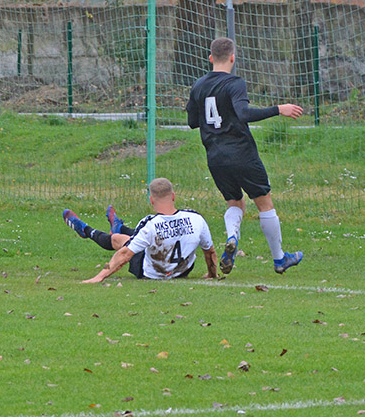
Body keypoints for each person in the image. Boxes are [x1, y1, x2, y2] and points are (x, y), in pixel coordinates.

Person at [186, 36, 303, 275]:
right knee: (264, 201)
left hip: (215, 156)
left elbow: (191, 122)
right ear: (232, 57)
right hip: (241, 152)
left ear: (210, 58)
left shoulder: (198, 85)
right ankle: (280, 259)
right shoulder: (234, 82)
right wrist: (278, 109)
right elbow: (244, 114)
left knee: (234, 202)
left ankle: (231, 237)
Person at [63, 178, 218, 283]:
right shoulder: (196, 218)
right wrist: (212, 274)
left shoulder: (150, 223)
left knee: (118, 239)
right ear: (173, 196)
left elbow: (124, 255)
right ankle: (118, 226)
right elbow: (209, 252)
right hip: (181, 271)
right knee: (143, 238)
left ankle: (87, 230)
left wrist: (99, 276)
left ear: (151, 199)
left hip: (151, 273)